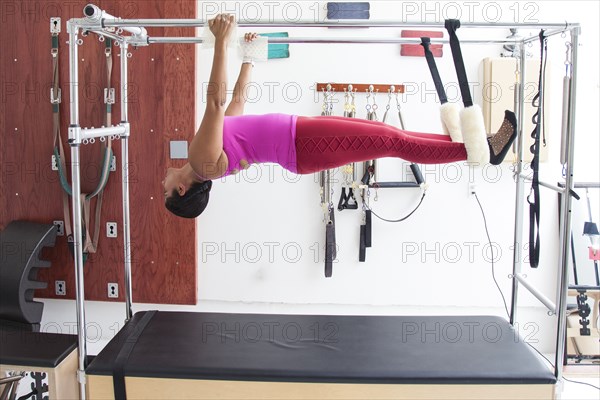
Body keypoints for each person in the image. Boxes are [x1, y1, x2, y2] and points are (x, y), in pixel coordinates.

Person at [163, 14, 517, 219]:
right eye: (165, 191)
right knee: (393, 141)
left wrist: (248, 56)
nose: (161, 182)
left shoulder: (205, 159)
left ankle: (475, 146)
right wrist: (222, 41)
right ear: (182, 190)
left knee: (388, 133)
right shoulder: (201, 162)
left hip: (301, 134)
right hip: (303, 146)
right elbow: (214, 104)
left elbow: (233, 105)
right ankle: (482, 151)